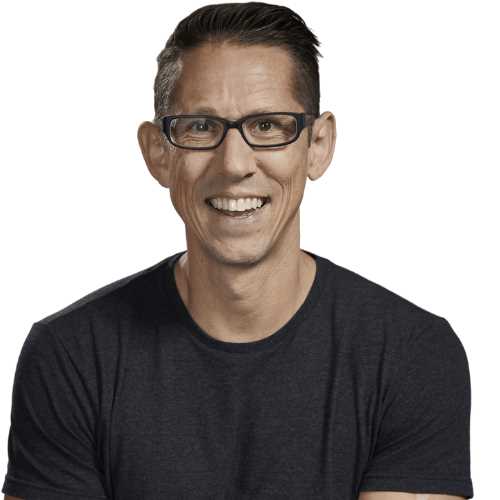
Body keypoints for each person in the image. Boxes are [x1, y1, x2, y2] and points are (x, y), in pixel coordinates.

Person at [2, 2, 473, 500]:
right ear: (158, 153)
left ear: (318, 145)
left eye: (267, 126)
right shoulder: (71, 357)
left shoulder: (411, 355)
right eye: (201, 127)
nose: (234, 164)